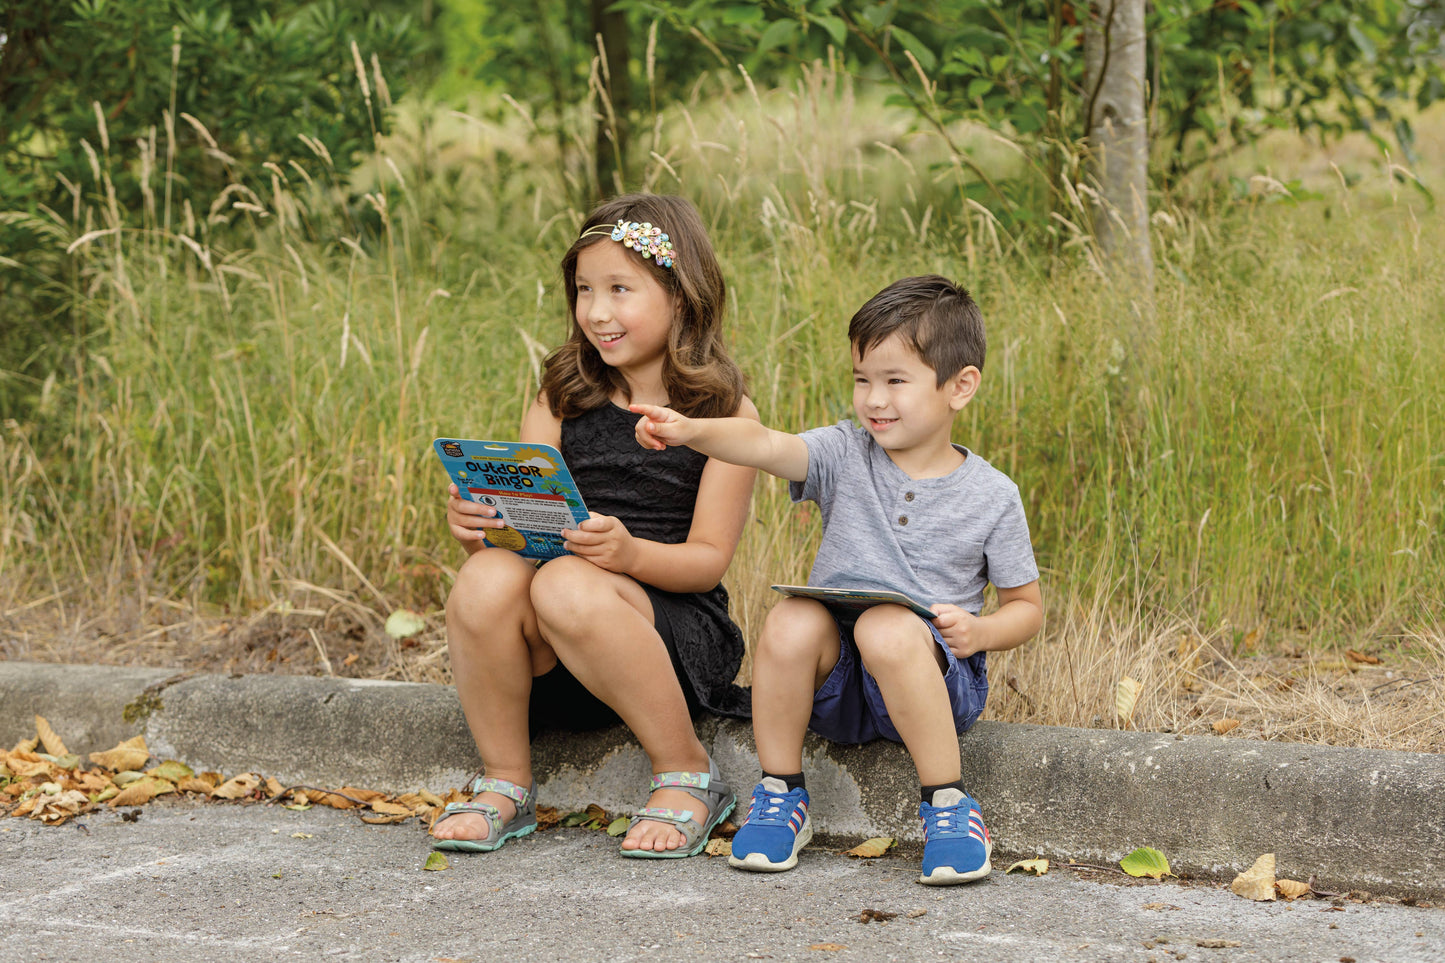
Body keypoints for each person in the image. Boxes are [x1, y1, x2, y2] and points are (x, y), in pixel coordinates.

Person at [632, 275, 1043, 884]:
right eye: (862, 380)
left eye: (895, 381)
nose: (874, 400)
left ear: (961, 387)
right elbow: (763, 444)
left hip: (929, 677)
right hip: (836, 684)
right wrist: (694, 431)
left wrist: (980, 633)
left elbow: (1027, 608)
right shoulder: (842, 452)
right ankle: (781, 794)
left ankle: (949, 806)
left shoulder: (992, 496)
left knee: (888, 626)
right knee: (792, 617)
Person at [430, 194, 758, 859]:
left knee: (567, 585)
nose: (597, 311)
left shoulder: (723, 411)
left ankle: (686, 770)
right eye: (584, 290)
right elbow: (528, 539)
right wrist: (482, 526)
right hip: (561, 639)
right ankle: (505, 780)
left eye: (619, 289)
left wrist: (628, 552)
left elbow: (706, 563)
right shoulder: (560, 396)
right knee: (486, 575)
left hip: (668, 628)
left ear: (679, 296)